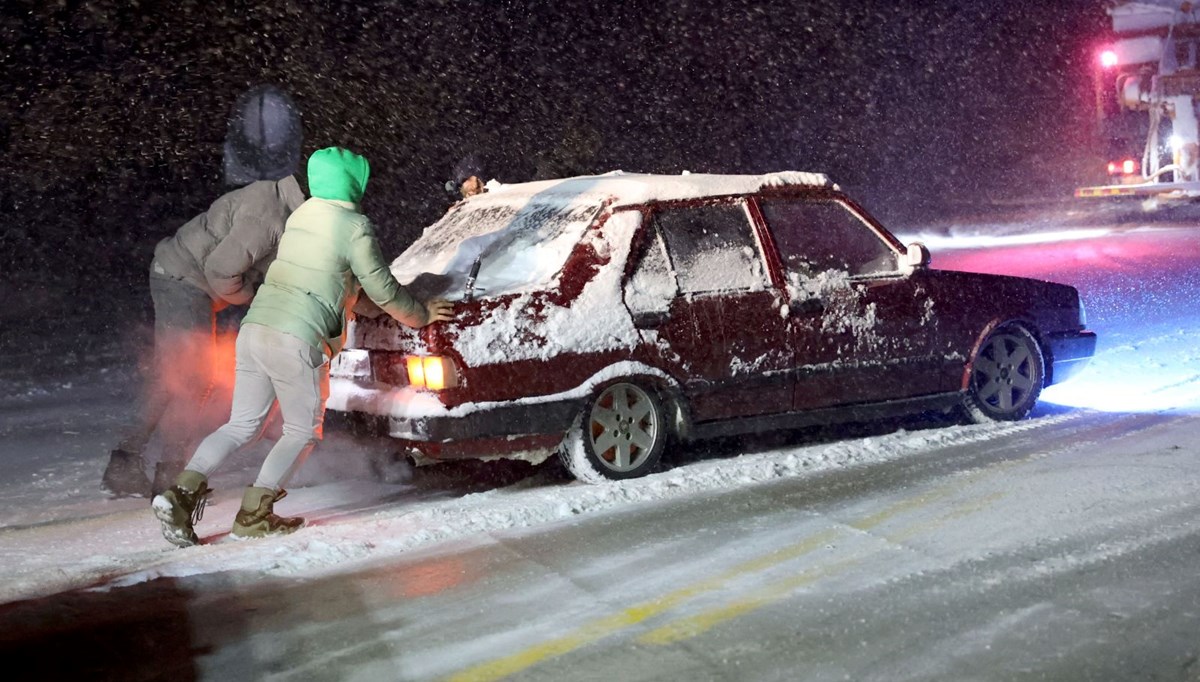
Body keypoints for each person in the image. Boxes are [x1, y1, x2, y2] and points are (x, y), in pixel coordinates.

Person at [152, 146, 453, 547]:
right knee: (301, 431)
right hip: (297, 338)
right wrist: (420, 314)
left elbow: (337, 283)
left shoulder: (300, 218)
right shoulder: (353, 226)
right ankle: (254, 514)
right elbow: (380, 288)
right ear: (353, 182)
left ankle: (181, 493)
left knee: (241, 425)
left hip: (256, 328)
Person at [101, 173, 306, 499]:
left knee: (171, 378)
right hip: (186, 283)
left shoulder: (279, 204)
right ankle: (170, 479)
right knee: (191, 382)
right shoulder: (268, 214)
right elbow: (221, 270)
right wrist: (249, 295)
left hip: (177, 277)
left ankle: (125, 464)